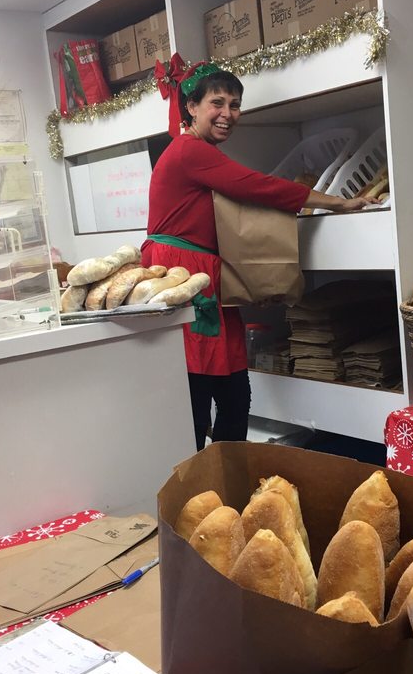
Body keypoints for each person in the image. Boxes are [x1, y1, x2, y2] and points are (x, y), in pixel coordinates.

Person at [142, 62, 381, 451]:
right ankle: (204, 477)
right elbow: (255, 186)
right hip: (185, 276)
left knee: (225, 390)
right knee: (207, 392)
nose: (228, 113)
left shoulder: (193, 151)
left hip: (195, 274)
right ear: (192, 107)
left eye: (235, 105)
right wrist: (336, 202)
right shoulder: (189, 150)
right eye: (217, 103)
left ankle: (221, 471)